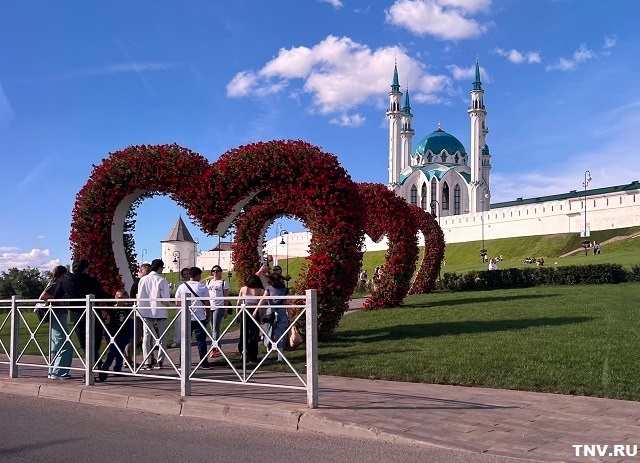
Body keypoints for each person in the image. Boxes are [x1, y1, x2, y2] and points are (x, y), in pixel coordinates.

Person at [53, 258, 107, 376]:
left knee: (85, 344)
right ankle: (95, 368)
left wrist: (68, 301)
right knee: (95, 343)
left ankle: (93, 369)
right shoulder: (91, 281)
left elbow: (56, 296)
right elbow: (101, 296)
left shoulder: (64, 281)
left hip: (77, 315)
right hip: (94, 314)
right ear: (86, 268)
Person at [136, 259, 170, 370]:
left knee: (146, 336)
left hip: (145, 310)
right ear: (160, 268)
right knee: (162, 336)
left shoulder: (143, 279)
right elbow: (165, 298)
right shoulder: (162, 280)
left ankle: (147, 361)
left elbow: (140, 294)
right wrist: (167, 304)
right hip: (159, 310)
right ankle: (160, 361)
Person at [175, 267, 211, 369]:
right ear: (198, 275)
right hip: (199, 317)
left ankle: (182, 363)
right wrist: (207, 315)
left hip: (186, 317)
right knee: (201, 341)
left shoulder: (182, 287)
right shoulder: (202, 287)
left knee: (185, 340)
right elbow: (207, 303)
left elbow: (177, 302)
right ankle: (204, 363)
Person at [40, 265, 71, 380]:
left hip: (58, 314)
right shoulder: (56, 283)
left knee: (57, 344)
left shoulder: (55, 282)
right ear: (64, 275)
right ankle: (59, 372)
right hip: (58, 314)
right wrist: (58, 298)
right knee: (65, 344)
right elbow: (43, 296)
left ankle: (53, 371)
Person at [100, 289, 134, 380]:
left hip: (123, 333)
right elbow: (108, 321)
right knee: (113, 350)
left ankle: (117, 369)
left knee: (120, 351)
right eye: (118, 297)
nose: (120, 300)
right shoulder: (112, 309)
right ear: (115, 297)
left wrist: (130, 333)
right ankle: (107, 364)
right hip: (113, 333)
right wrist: (106, 333)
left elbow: (130, 320)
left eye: (123, 298)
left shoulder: (128, 309)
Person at [256, 273, 289, 363]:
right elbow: (287, 303)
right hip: (282, 311)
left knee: (269, 332)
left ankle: (269, 353)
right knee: (281, 333)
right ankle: (280, 357)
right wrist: (290, 315)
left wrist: (256, 310)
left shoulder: (269, 288)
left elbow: (262, 299)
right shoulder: (285, 290)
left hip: (271, 311)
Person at [235, 274, 264, 363]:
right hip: (254, 312)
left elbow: (238, 303)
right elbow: (261, 304)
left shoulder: (243, 289)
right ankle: (253, 356)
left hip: (245, 311)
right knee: (254, 335)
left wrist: (237, 314)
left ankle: (243, 353)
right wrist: (262, 315)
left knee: (243, 333)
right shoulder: (259, 290)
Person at [125, 263, 150, 362]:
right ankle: (128, 358)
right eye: (146, 271)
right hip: (138, 312)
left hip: (146, 312)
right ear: (141, 271)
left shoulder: (145, 282)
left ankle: (149, 357)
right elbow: (133, 297)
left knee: (147, 336)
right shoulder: (138, 282)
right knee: (136, 335)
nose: (148, 273)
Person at [204, 265, 230, 359]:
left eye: (217, 271)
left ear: (220, 272)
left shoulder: (223, 282)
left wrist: (226, 309)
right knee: (213, 328)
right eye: (214, 271)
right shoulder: (209, 282)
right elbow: (206, 295)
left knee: (215, 327)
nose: (215, 272)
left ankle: (213, 348)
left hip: (219, 306)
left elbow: (226, 296)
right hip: (210, 306)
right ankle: (217, 345)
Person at [170, 267, 190, 349]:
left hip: (190, 305)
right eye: (184, 274)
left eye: (187, 274)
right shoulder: (179, 284)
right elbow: (176, 295)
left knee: (189, 323)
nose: (185, 276)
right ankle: (176, 340)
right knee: (178, 324)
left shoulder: (192, 282)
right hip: (180, 305)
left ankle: (187, 339)